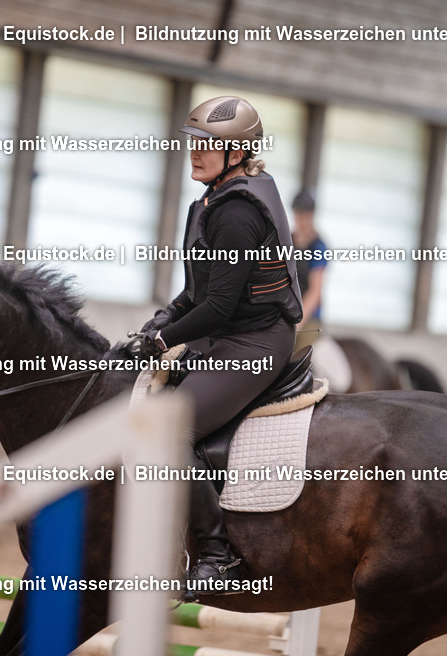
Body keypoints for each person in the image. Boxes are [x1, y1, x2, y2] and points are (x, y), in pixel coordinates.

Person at [139, 96, 303, 595]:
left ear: (236, 153)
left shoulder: (234, 213)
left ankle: (217, 555)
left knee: (170, 431)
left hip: (253, 340)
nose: (195, 152)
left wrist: (166, 339)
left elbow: (221, 306)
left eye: (208, 144)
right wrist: (159, 323)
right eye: (193, 142)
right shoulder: (211, 199)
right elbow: (195, 294)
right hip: (225, 331)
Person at [290, 189, 328, 352]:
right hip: (287, 311)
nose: (301, 219)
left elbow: (315, 291)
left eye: (305, 214)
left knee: (304, 356)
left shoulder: (318, 246)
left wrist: (298, 324)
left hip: (308, 317)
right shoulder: (287, 240)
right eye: (299, 213)